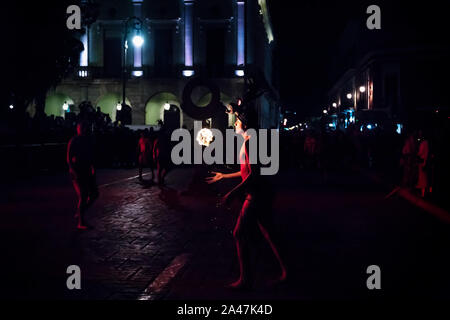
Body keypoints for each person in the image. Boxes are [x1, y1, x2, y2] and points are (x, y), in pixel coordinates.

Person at [206, 103, 287, 289]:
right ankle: (286, 271)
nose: (234, 124)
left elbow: (254, 174)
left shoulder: (251, 142)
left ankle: (245, 279)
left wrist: (233, 193)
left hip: (256, 194)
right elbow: (246, 171)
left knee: (239, 233)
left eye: (237, 121)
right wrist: (224, 175)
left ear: (244, 123)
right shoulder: (249, 141)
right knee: (270, 234)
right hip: (259, 192)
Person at [67, 122, 99, 229]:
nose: (85, 130)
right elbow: (69, 158)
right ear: (78, 129)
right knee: (83, 195)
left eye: (86, 128)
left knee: (94, 194)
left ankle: (81, 211)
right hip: (78, 170)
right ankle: (81, 222)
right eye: (83, 128)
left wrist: (93, 167)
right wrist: (73, 170)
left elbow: (91, 155)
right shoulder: (74, 141)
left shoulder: (88, 140)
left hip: (87, 170)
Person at [416, 130, 431, 197]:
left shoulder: (423, 143)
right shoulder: (428, 143)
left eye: (420, 135)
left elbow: (420, 153)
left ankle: (423, 194)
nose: (419, 136)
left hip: (422, 161)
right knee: (426, 177)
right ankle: (427, 192)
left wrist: (417, 154)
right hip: (426, 161)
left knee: (422, 177)